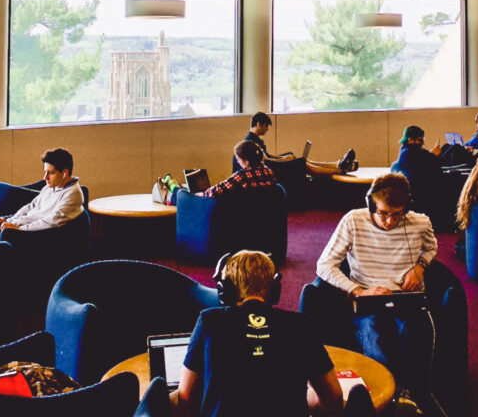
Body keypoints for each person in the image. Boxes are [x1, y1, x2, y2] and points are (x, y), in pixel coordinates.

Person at [172, 250, 353, 417]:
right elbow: (333, 399)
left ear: (224, 290)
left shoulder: (209, 322)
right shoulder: (301, 325)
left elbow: (186, 398)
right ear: (275, 289)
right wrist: (300, 398)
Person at [315, 172, 437, 410]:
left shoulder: (421, 222)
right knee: (374, 335)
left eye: (397, 214)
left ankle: (405, 394)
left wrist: (420, 267)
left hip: (406, 297)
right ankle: (389, 397)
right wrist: (357, 291)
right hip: (367, 298)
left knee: (409, 331)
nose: (389, 221)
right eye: (383, 213)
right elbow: (324, 265)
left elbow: (431, 248)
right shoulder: (353, 220)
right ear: (371, 204)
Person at [236, 112, 357, 176]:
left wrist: (285, 157)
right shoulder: (251, 142)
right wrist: (284, 160)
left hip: (270, 166)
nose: (267, 129)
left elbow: (267, 156)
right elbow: (265, 161)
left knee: (298, 159)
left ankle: (336, 165)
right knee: (301, 163)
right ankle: (340, 170)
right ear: (258, 124)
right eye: (266, 126)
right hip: (270, 170)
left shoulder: (254, 139)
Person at [390, 125, 459, 232]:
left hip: (415, 194)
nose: (423, 142)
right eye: (420, 140)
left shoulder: (405, 153)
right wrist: (434, 156)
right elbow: (433, 170)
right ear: (410, 140)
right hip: (424, 196)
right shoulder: (417, 154)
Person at [202, 140, 277, 199]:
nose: (237, 162)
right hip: (267, 212)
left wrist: (202, 193)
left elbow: (216, 191)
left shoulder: (242, 176)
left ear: (247, 161)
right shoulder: (269, 171)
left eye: (238, 159)